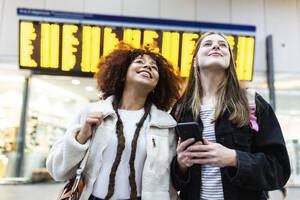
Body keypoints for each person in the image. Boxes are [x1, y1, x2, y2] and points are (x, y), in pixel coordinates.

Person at [46, 43, 181, 200]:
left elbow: (170, 182)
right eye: (139, 62)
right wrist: (81, 137)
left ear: (157, 84)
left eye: (154, 67)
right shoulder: (93, 113)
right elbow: (57, 170)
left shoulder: (166, 125)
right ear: (122, 74)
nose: (147, 67)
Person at [170, 31, 291, 200]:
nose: (215, 46)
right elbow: (171, 180)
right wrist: (181, 165)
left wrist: (234, 158)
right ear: (195, 61)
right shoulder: (180, 109)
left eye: (222, 45)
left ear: (230, 62)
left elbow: (279, 169)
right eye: (207, 44)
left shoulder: (252, 104)